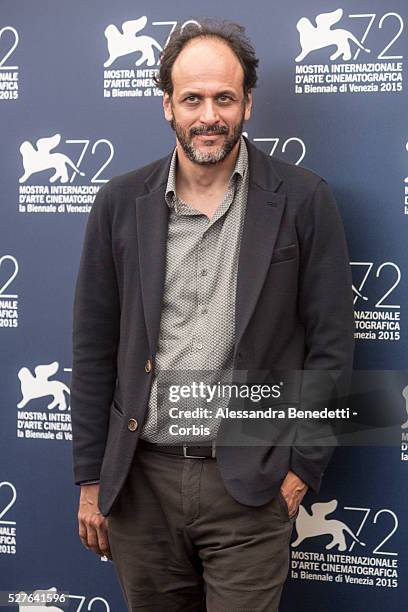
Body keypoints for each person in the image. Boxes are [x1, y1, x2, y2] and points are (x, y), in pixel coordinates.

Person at [71, 19, 355, 612]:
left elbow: (332, 344)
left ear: (248, 103)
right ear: (167, 105)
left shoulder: (304, 199)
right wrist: (92, 481)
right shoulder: (120, 203)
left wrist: (300, 467)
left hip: (250, 483)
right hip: (141, 482)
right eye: (192, 98)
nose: (209, 115)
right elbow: (94, 347)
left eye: (224, 98)